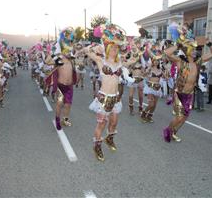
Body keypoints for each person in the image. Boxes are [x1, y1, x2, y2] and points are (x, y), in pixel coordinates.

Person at [86, 23, 135, 161]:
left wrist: (136, 49)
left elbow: (134, 59)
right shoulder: (101, 61)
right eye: (112, 47)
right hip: (104, 98)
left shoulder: (120, 63)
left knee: (114, 123)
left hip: (115, 98)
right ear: (107, 48)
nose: (114, 49)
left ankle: (109, 139)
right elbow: (88, 52)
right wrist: (95, 46)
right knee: (101, 124)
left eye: (116, 47)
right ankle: (97, 147)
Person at [163, 38, 212, 143]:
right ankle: (168, 131)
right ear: (186, 50)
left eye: (195, 49)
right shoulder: (180, 61)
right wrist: (179, 45)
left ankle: (174, 131)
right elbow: (167, 52)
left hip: (190, 95)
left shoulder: (199, 61)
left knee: (184, 118)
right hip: (179, 93)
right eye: (192, 49)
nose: (194, 51)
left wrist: (209, 43)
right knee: (179, 117)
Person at [54, 28, 77, 130]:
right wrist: (55, 53)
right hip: (60, 86)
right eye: (66, 49)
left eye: (69, 49)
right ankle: (57, 120)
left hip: (69, 86)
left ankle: (65, 120)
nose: (68, 51)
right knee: (59, 103)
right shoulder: (59, 59)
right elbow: (48, 62)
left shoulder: (72, 60)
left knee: (68, 105)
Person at [141, 55, 165, 123]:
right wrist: (147, 72)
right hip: (150, 88)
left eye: (157, 61)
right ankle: (143, 114)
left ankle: (149, 116)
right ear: (153, 61)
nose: (156, 62)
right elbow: (143, 75)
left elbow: (166, 78)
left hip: (157, 88)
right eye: (155, 60)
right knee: (151, 104)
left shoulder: (160, 70)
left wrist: (165, 70)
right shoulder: (150, 69)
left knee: (154, 105)